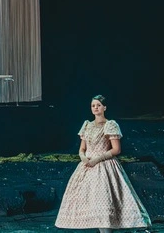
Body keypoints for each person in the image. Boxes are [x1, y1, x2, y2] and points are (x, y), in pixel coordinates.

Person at [54, 95, 151, 232]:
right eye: (93, 105)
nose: (95, 108)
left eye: (98, 105)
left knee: (104, 199)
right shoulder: (87, 125)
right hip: (87, 166)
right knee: (88, 201)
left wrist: (97, 159)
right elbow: (82, 148)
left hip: (104, 165)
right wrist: (83, 157)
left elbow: (116, 149)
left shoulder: (110, 125)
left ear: (104, 107)